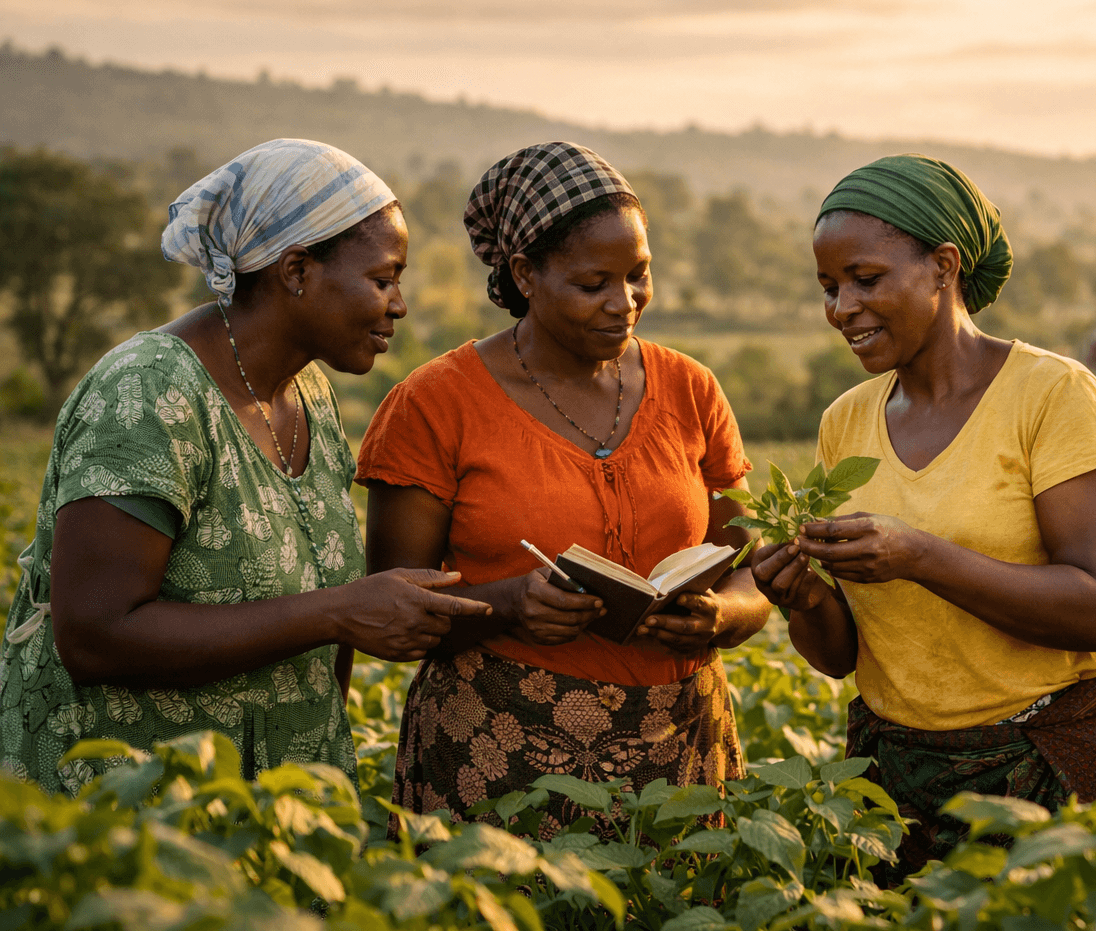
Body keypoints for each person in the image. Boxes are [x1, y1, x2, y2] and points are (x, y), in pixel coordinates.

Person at [0, 139, 491, 794]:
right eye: (383, 278)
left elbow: (325, 610)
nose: (398, 304)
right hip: (134, 816)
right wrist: (335, 613)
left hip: (275, 814)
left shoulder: (309, 394)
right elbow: (94, 636)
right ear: (295, 271)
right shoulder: (149, 393)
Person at [750, 153, 1096, 875]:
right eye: (829, 288)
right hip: (907, 776)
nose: (841, 309)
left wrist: (919, 557)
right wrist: (801, 594)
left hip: (1069, 752)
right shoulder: (846, 423)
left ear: (944, 267)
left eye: (865, 279)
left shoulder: (1053, 396)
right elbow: (843, 657)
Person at [356, 141, 769, 831]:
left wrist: (725, 618)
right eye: (592, 284)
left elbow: (749, 575)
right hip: (498, 756)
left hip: (681, 752)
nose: (625, 302)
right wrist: (509, 605)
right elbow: (390, 612)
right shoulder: (435, 404)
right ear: (525, 274)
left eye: (640, 275)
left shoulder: (691, 390)